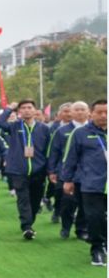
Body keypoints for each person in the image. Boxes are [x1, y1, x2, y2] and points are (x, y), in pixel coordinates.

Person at [0, 99, 52, 239]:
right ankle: (26, 226)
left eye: (29, 107)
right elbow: (0, 123)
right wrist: (10, 108)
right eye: (23, 108)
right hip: (18, 170)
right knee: (23, 198)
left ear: (35, 110)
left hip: (38, 170)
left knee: (35, 199)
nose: (27, 110)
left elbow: (48, 150)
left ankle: (29, 222)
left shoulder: (44, 128)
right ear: (19, 111)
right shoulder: (15, 126)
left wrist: (49, 170)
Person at [62, 99, 107, 266]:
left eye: (106, 112)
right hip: (91, 183)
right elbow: (70, 158)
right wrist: (67, 179)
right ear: (91, 114)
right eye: (99, 112)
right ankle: (97, 248)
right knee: (94, 217)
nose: (103, 116)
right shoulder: (80, 133)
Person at [49, 101, 89, 240]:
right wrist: (52, 170)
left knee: (84, 203)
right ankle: (65, 226)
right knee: (67, 202)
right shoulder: (62, 131)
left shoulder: (93, 130)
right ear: (71, 113)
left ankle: (81, 229)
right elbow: (54, 152)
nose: (79, 112)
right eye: (76, 110)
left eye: (82, 109)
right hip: (66, 172)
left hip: (87, 174)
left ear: (88, 112)